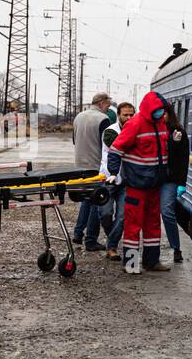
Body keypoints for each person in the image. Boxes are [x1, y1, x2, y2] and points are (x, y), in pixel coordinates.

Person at [108, 90, 170, 274]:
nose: (161, 113)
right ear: (151, 109)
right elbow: (116, 149)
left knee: (153, 225)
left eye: (162, 110)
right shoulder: (135, 124)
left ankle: (152, 261)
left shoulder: (160, 125)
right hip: (137, 184)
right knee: (133, 225)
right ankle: (131, 264)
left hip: (155, 184)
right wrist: (113, 172)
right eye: (158, 110)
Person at [71, 92, 113, 250]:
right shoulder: (103, 119)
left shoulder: (79, 117)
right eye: (108, 105)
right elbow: (107, 145)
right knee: (97, 201)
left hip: (79, 165)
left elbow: (75, 140)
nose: (108, 109)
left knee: (87, 200)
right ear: (101, 103)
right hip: (95, 166)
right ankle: (90, 240)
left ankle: (77, 233)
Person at [102, 101, 134, 260]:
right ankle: (112, 238)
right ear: (119, 115)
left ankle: (112, 247)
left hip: (126, 180)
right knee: (106, 214)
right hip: (108, 178)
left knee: (122, 216)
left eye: (131, 115)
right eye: (125, 115)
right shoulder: (110, 131)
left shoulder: (134, 130)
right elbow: (122, 147)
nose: (129, 118)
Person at [159, 100, 190, 264]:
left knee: (167, 211)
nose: (161, 116)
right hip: (150, 178)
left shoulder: (178, 132)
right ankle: (151, 250)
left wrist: (182, 183)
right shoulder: (149, 130)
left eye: (164, 113)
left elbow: (183, 159)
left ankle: (176, 248)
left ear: (170, 114)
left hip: (169, 179)